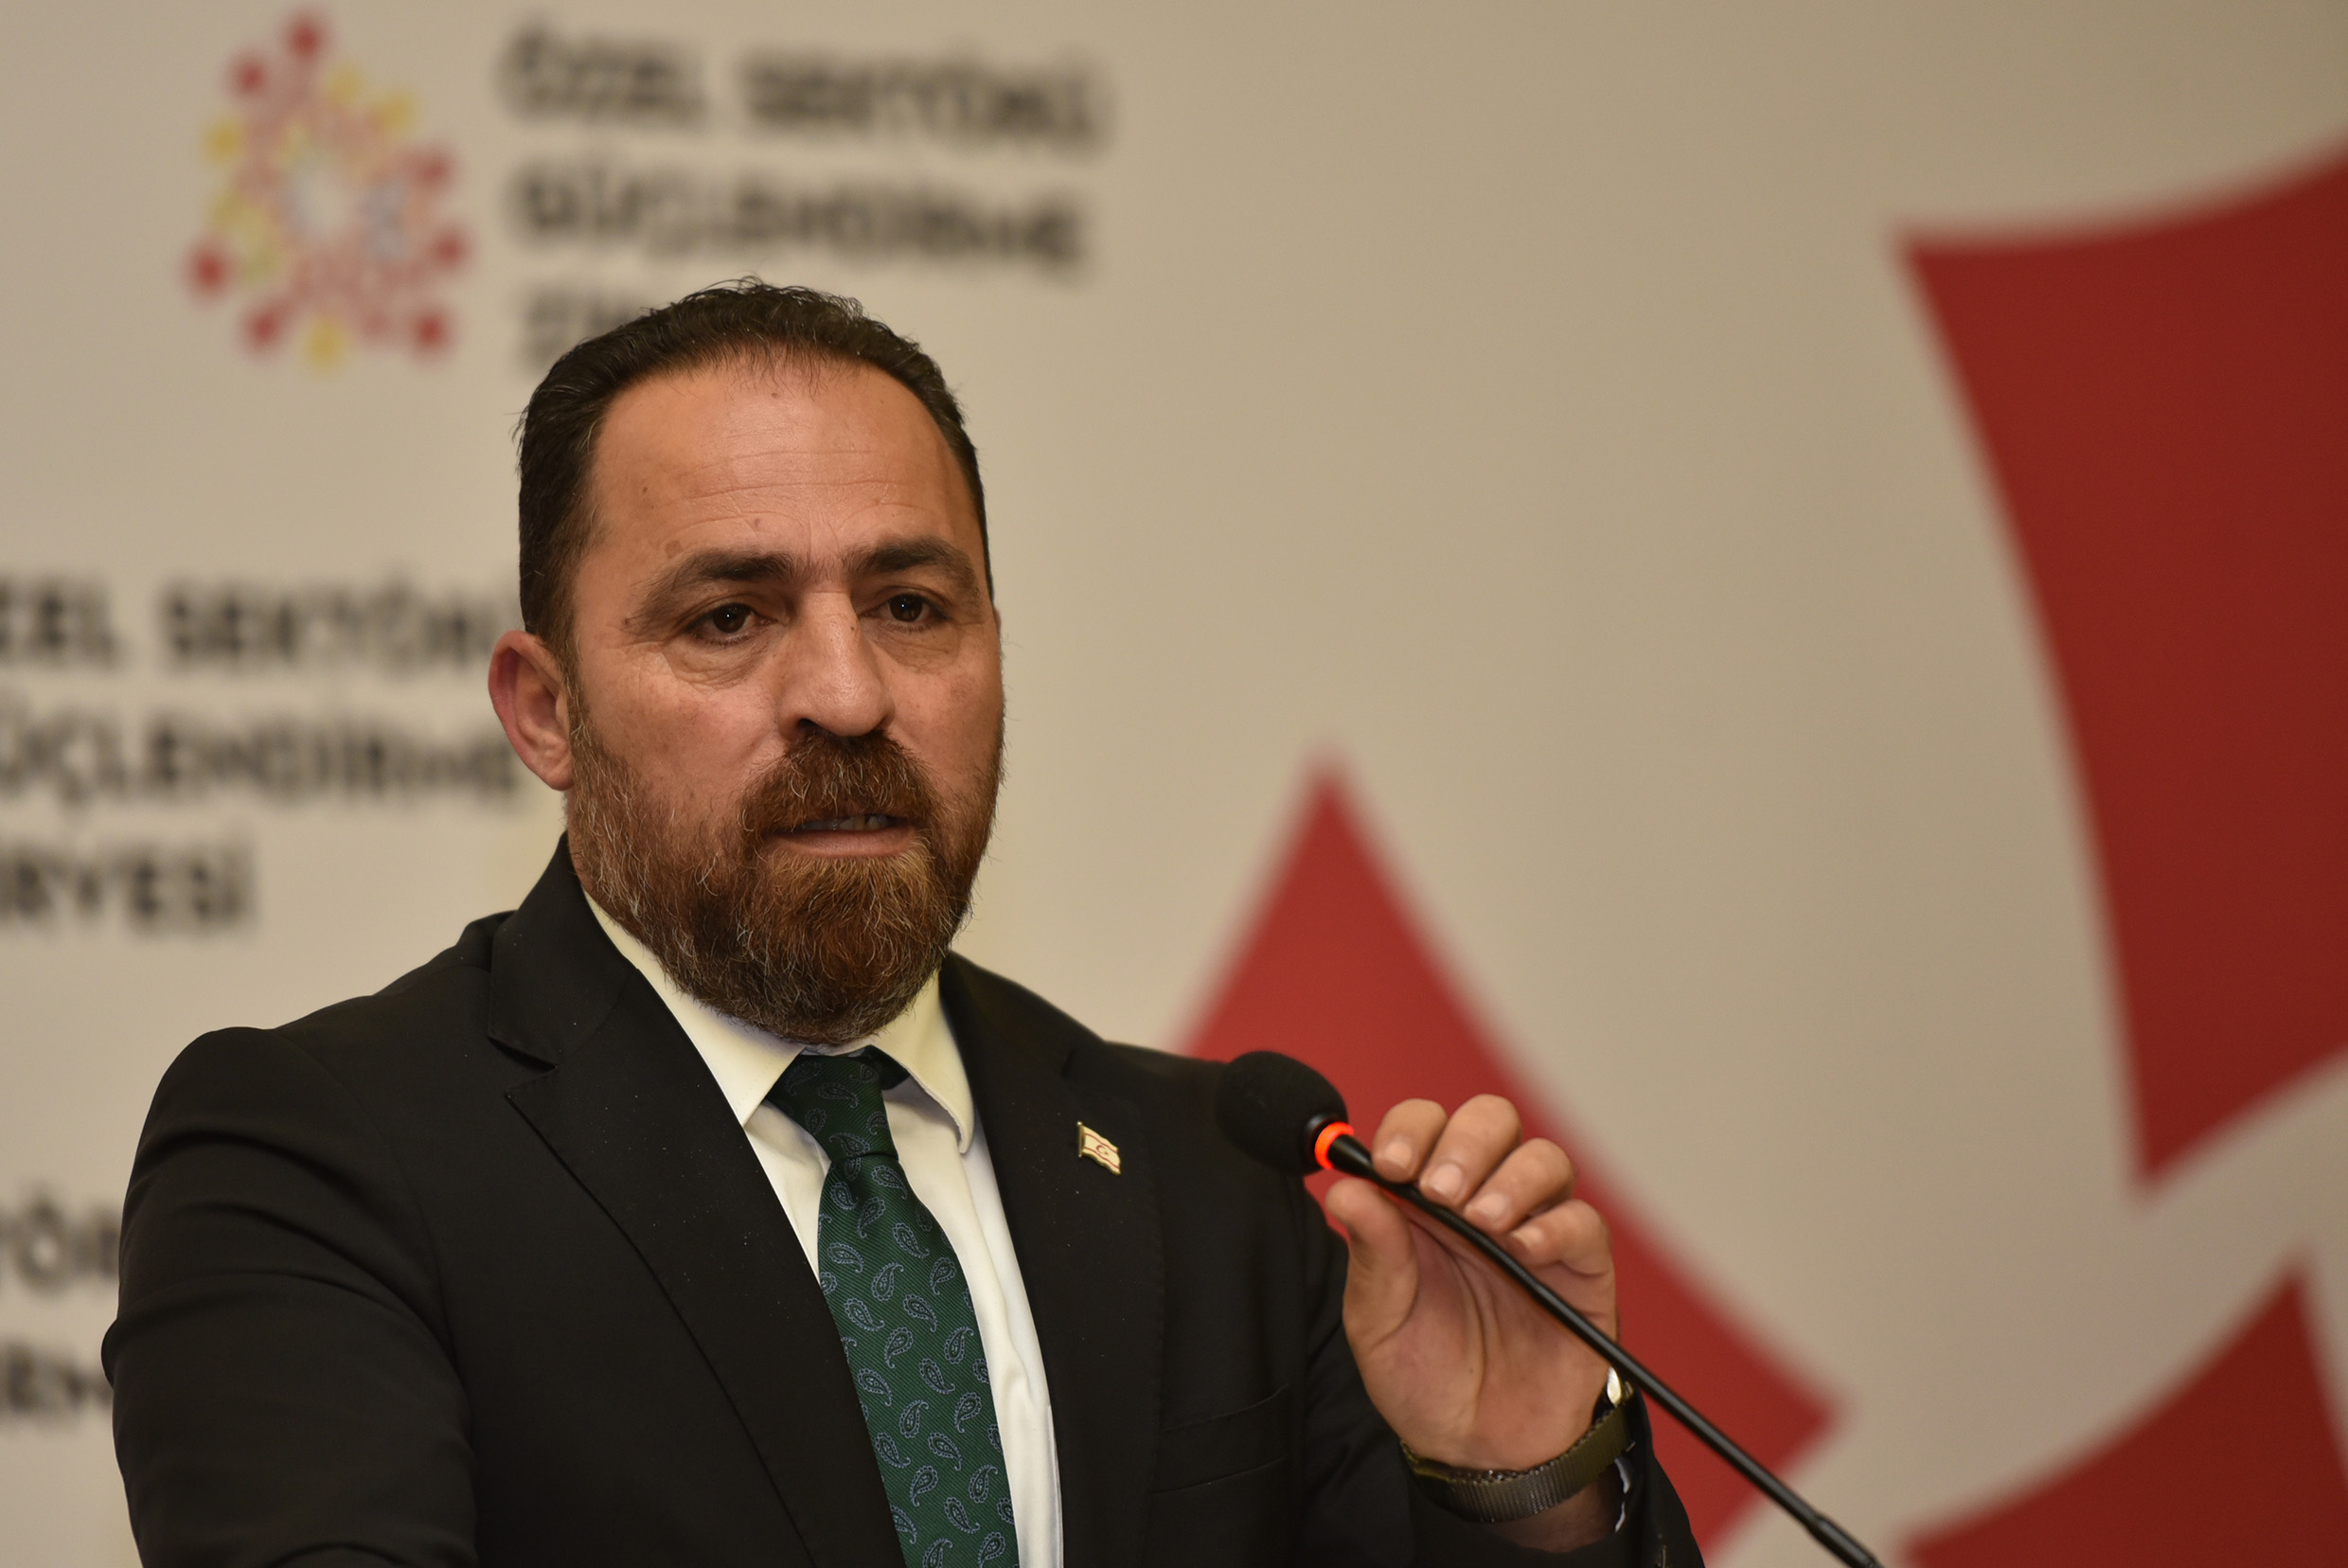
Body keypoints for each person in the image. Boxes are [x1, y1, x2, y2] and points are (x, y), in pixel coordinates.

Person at [106, 282, 1701, 1568]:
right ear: (547, 710)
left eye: (911, 608)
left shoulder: (1222, 1183)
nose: (848, 693)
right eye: (729, 617)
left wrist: (1525, 1491)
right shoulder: (319, 1163)